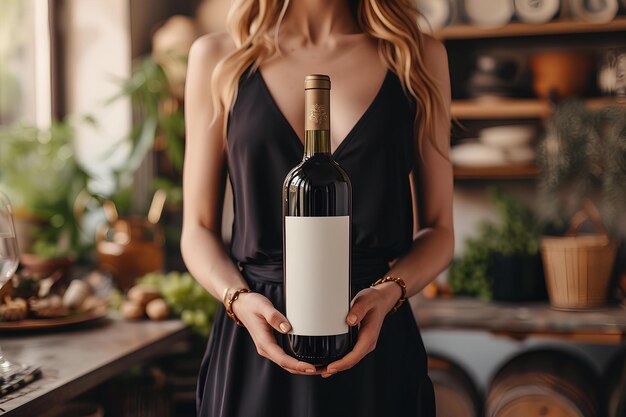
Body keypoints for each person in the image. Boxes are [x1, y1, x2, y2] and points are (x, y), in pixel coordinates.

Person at [181, 0, 453, 414]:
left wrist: (388, 294)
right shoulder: (220, 56)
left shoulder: (415, 55)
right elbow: (197, 228)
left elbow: (439, 230)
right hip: (256, 344)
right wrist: (237, 300)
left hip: (375, 342)